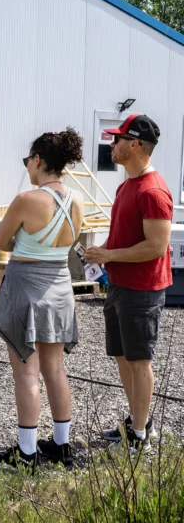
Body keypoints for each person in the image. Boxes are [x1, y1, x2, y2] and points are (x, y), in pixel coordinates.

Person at [0, 129, 85, 470]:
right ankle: (62, 445)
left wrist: (22, 245)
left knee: (26, 373)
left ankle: (26, 453)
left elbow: (0, 240)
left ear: (38, 160)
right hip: (61, 288)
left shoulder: (27, 200)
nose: (27, 166)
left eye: (28, 159)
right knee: (55, 369)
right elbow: (66, 246)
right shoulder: (77, 200)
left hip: (27, 288)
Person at [85, 114, 173, 453]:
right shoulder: (126, 185)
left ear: (134, 144)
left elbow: (155, 247)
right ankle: (140, 422)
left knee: (139, 361)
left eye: (117, 139)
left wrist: (110, 256)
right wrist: (102, 252)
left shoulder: (152, 190)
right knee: (123, 356)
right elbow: (126, 237)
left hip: (143, 289)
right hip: (121, 284)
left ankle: (139, 439)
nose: (112, 145)